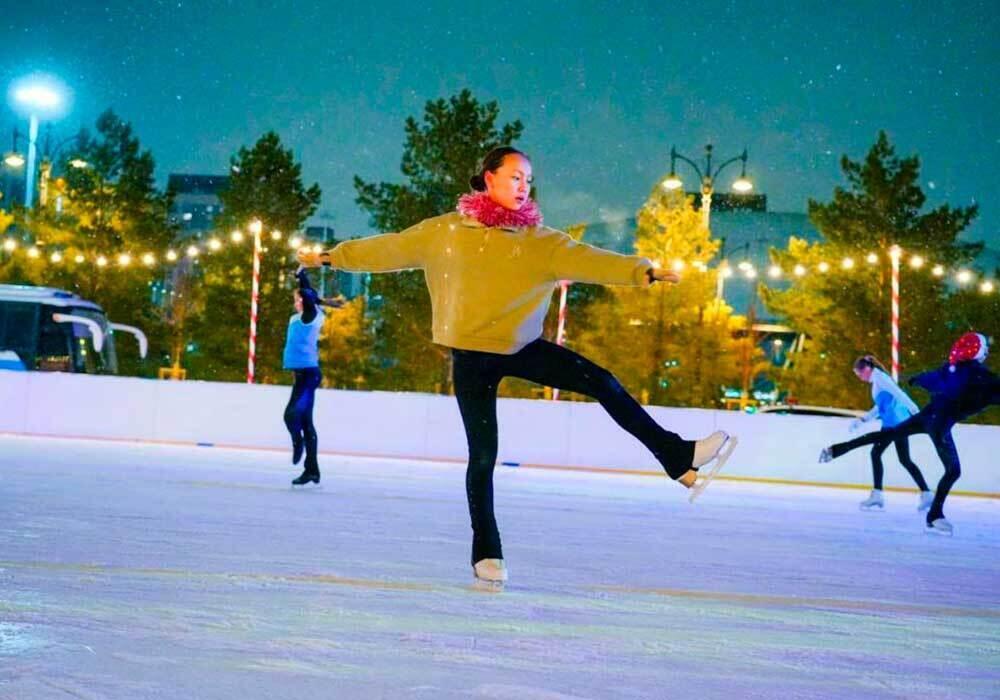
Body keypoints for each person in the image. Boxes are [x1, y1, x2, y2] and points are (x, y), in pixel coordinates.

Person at [298, 146, 737, 586]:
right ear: (488, 178)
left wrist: (643, 270)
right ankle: (486, 551)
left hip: (521, 347)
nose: (523, 186)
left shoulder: (539, 242)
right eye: (514, 177)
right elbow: (390, 248)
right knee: (484, 455)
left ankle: (678, 456)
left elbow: (590, 259)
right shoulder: (445, 232)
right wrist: (333, 256)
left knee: (602, 381)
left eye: (528, 179)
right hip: (470, 356)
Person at [821, 333, 1000, 535]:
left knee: (886, 441)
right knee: (952, 470)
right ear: (976, 351)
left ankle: (836, 450)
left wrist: (916, 380)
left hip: (926, 416)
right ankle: (934, 515)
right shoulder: (981, 376)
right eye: (984, 349)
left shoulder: (951, 370)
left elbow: (932, 379)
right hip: (939, 423)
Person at [847, 355, 932, 511]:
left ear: (866, 369)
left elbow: (899, 394)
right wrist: (863, 420)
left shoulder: (880, 378)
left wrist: (916, 411)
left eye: (859, 374)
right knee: (904, 459)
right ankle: (926, 494)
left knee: (876, 453)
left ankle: (878, 495)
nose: (859, 378)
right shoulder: (877, 380)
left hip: (893, 425)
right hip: (896, 423)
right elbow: (880, 407)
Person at [282, 268, 343, 486]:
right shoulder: (297, 318)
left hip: (309, 375)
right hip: (301, 375)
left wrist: (300, 275)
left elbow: (307, 293)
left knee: (290, 416)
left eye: (298, 299)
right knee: (306, 422)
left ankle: (297, 444)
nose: (296, 301)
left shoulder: (312, 315)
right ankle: (312, 471)